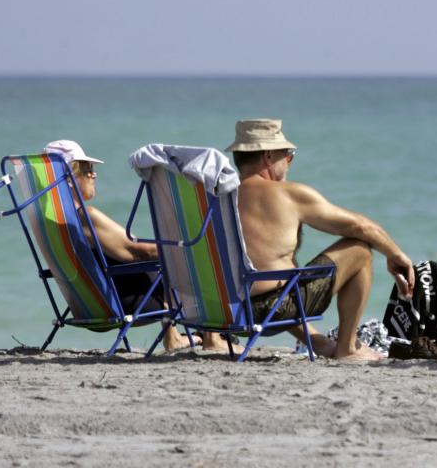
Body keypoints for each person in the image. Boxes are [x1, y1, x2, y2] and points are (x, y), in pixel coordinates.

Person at [225, 119, 416, 361]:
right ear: (269, 156)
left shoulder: (218, 198)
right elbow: (360, 226)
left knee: (277, 269)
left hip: (226, 310)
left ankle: (321, 343)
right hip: (270, 311)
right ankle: (347, 348)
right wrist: (396, 255)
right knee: (359, 250)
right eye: (289, 155)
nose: (289, 162)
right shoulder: (289, 195)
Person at [43, 140, 231, 353]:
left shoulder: (50, 221)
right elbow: (136, 252)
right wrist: (191, 248)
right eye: (87, 169)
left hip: (85, 306)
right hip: (127, 303)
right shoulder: (86, 218)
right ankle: (212, 339)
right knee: (189, 257)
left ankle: (174, 337)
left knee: (166, 258)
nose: (93, 175)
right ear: (68, 178)